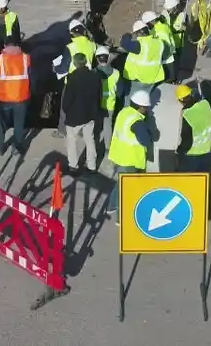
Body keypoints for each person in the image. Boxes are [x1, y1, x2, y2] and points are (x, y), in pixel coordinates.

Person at [107, 89, 155, 224]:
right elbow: (146, 140)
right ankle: (121, 219)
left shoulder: (124, 111)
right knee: (127, 190)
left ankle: (111, 206)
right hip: (129, 159)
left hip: (118, 155)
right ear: (140, 107)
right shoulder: (137, 122)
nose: (148, 110)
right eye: (146, 107)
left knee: (120, 184)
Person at [61, 52, 103, 175]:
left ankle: (73, 165)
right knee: (89, 139)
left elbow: (67, 99)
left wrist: (66, 110)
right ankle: (91, 166)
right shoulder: (95, 76)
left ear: (74, 63)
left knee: (72, 141)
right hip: (90, 114)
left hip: (75, 115)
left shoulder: (72, 77)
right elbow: (98, 95)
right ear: (85, 62)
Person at [0, 35, 31, 155]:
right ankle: (16, 148)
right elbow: (30, 74)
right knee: (19, 124)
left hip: (5, 97)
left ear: (5, 45)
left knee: (2, 123)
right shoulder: (26, 58)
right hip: (22, 97)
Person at [119, 19, 166, 97]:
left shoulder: (140, 45)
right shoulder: (159, 42)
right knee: (144, 98)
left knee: (132, 100)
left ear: (140, 32)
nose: (136, 36)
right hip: (153, 78)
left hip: (139, 79)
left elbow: (124, 43)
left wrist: (128, 35)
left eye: (136, 34)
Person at [175, 83, 211, 173]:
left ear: (181, 100)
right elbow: (208, 95)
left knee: (185, 182)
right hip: (206, 153)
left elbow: (186, 138)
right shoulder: (205, 105)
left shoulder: (187, 114)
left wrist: (180, 151)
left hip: (191, 155)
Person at [148, 10, 179, 83]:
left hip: (166, 59)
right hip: (165, 58)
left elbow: (166, 48)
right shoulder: (158, 27)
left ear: (151, 21)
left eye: (147, 23)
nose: (147, 25)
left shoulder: (161, 30)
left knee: (168, 78)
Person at [95, 45, 122, 129]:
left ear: (97, 58)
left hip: (96, 104)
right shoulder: (116, 73)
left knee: (96, 126)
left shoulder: (93, 73)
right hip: (110, 104)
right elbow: (120, 91)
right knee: (108, 127)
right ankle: (107, 142)